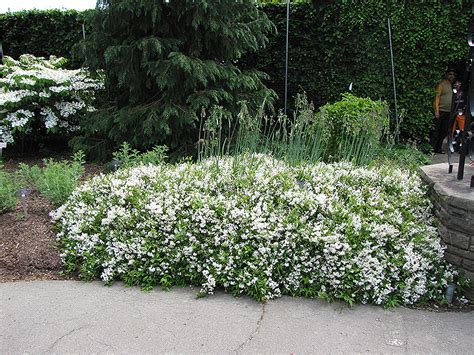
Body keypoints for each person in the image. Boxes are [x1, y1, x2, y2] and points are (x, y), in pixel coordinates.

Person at [432, 68, 456, 153]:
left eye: (453, 74)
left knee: (444, 131)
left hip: (448, 112)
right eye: (450, 74)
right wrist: (436, 110)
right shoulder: (441, 85)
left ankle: (439, 148)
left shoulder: (451, 85)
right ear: (446, 75)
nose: (452, 76)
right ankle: (432, 149)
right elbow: (437, 98)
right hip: (441, 111)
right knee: (436, 130)